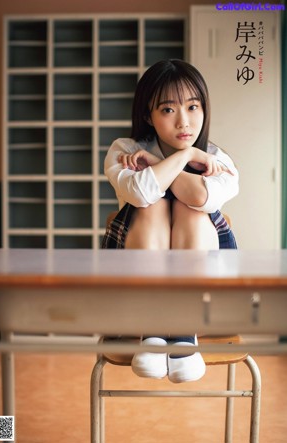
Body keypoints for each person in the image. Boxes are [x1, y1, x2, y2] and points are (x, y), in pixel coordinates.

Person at [102, 59, 239, 383]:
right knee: (152, 206)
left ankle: (182, 332)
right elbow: (140, 193)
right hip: (132, 288)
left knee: (189, 210)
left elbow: (200, 198)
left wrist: (157, 163)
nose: (184, 121)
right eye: (168, 110)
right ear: (148, 113)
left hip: (207, 295)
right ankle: (153, 331)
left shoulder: (219, 160)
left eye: (193, 107)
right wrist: (187, 157)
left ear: (204, 110)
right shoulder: (125, 150)